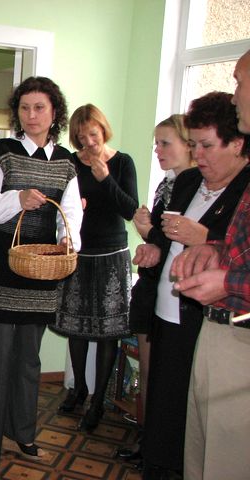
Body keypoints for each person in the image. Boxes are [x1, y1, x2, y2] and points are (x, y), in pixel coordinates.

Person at [130, 92, 250, 479]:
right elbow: (166, 240)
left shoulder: (244, 189)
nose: (197, 154)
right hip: (167, 312)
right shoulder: (188, 181)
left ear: (237, 144)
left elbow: (233, 254)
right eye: (193, 144)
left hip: (206, 322)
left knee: (193, 422)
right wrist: (154, 250)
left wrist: (204, 238)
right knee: (163, 409)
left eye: (207, 145)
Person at [0, 76, 83, 480]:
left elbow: (71, 213)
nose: (31, 115)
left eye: (40, 108)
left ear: (55, 113)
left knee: (29, 361)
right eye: (24, 108)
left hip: (41, 270)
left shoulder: (66, 162)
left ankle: (23, 433)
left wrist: (69, 238)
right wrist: (16, 199)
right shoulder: (2, 152)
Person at [171, 50, 250, 480]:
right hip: (217, 329)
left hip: (240, 332)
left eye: (239, 81)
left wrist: (228, 279)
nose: (235, 96)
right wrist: (217, 250)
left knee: (226, 462)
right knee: (200, 457)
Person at [50, 104, 138, 433]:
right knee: (76, 326)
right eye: (81, 136)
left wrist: (105, 179)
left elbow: (130, 209)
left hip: (112, 255)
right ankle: (79, 389)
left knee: (107, 331)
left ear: (103, 130)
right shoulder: (71, 164)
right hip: (79, 253)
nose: (88, 142)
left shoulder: (123, 162)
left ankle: (98, 400)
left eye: (93, 134)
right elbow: (62, 205)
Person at [118, 114, 193, 465]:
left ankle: (160, 449)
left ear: (188, 144)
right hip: (153, 289)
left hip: (179, 297)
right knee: (149, 373)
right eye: (156, 144)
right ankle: (148, 443)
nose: (158, 150)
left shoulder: (195, 188)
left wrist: (147, 232)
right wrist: (149, 236)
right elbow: (164, 245)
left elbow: (178, 245)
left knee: (168, 378)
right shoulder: (168, 185)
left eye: (165, 143)